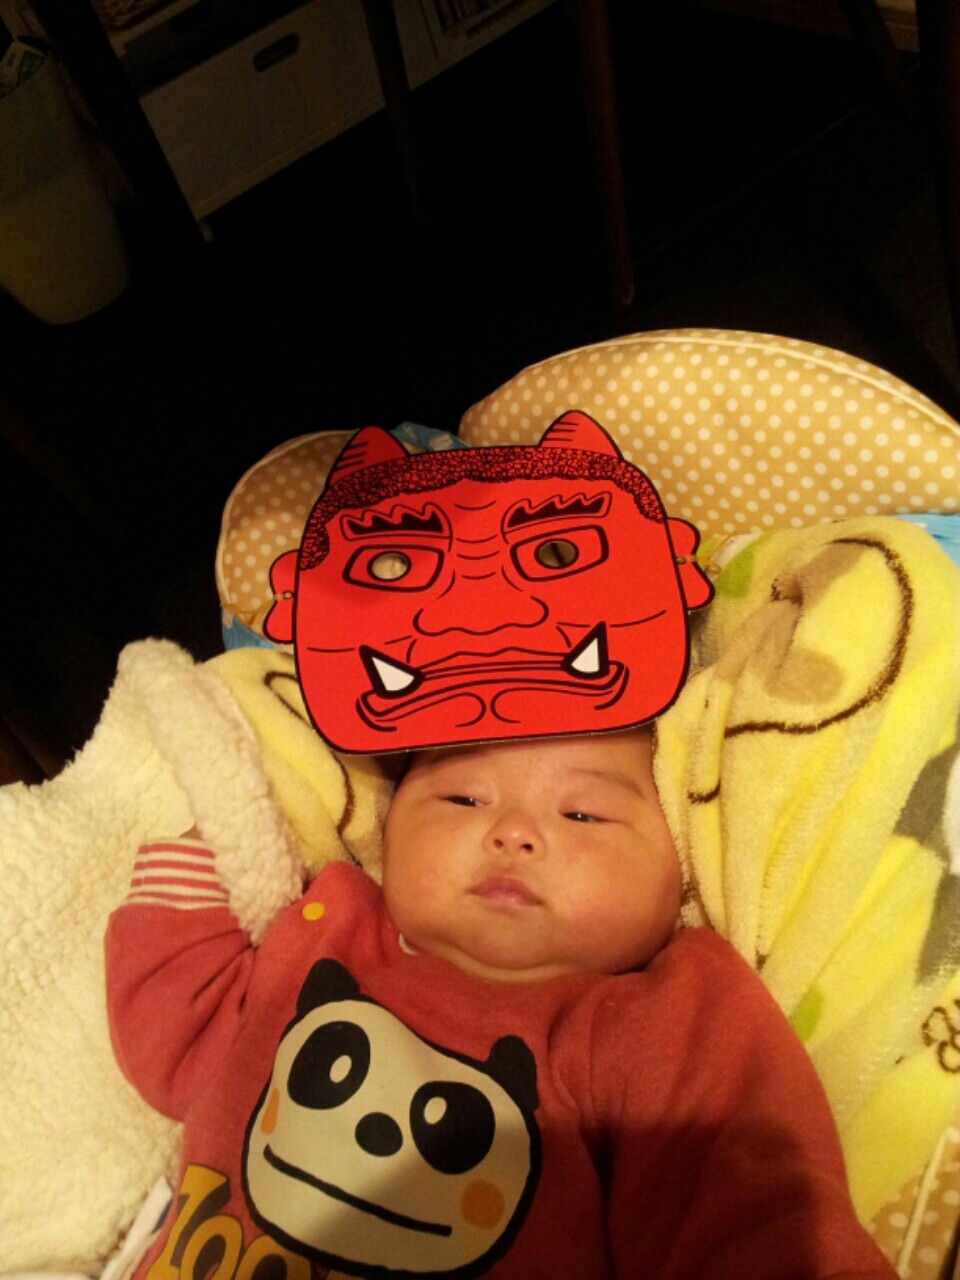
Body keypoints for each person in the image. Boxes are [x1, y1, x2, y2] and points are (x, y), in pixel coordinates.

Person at [104, 730, 896, 1280]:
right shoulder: (330, 934)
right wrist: (200, 820)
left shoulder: (653, 1017)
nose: (513, 833)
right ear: (387, 830)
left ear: (678, 870)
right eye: (462, 799)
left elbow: (750, 1217)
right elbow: (180, 1038)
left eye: (582, 814)